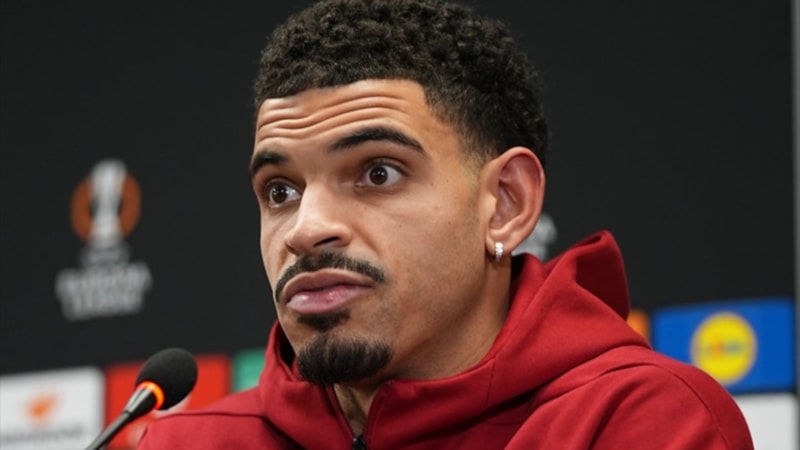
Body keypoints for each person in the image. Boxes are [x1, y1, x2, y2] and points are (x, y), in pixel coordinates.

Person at [138, 0, 753, 448]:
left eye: (378, 173)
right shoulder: (186, 444)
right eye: (281, 191)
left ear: (506, 204)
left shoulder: (640, 420)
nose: (305, 228)